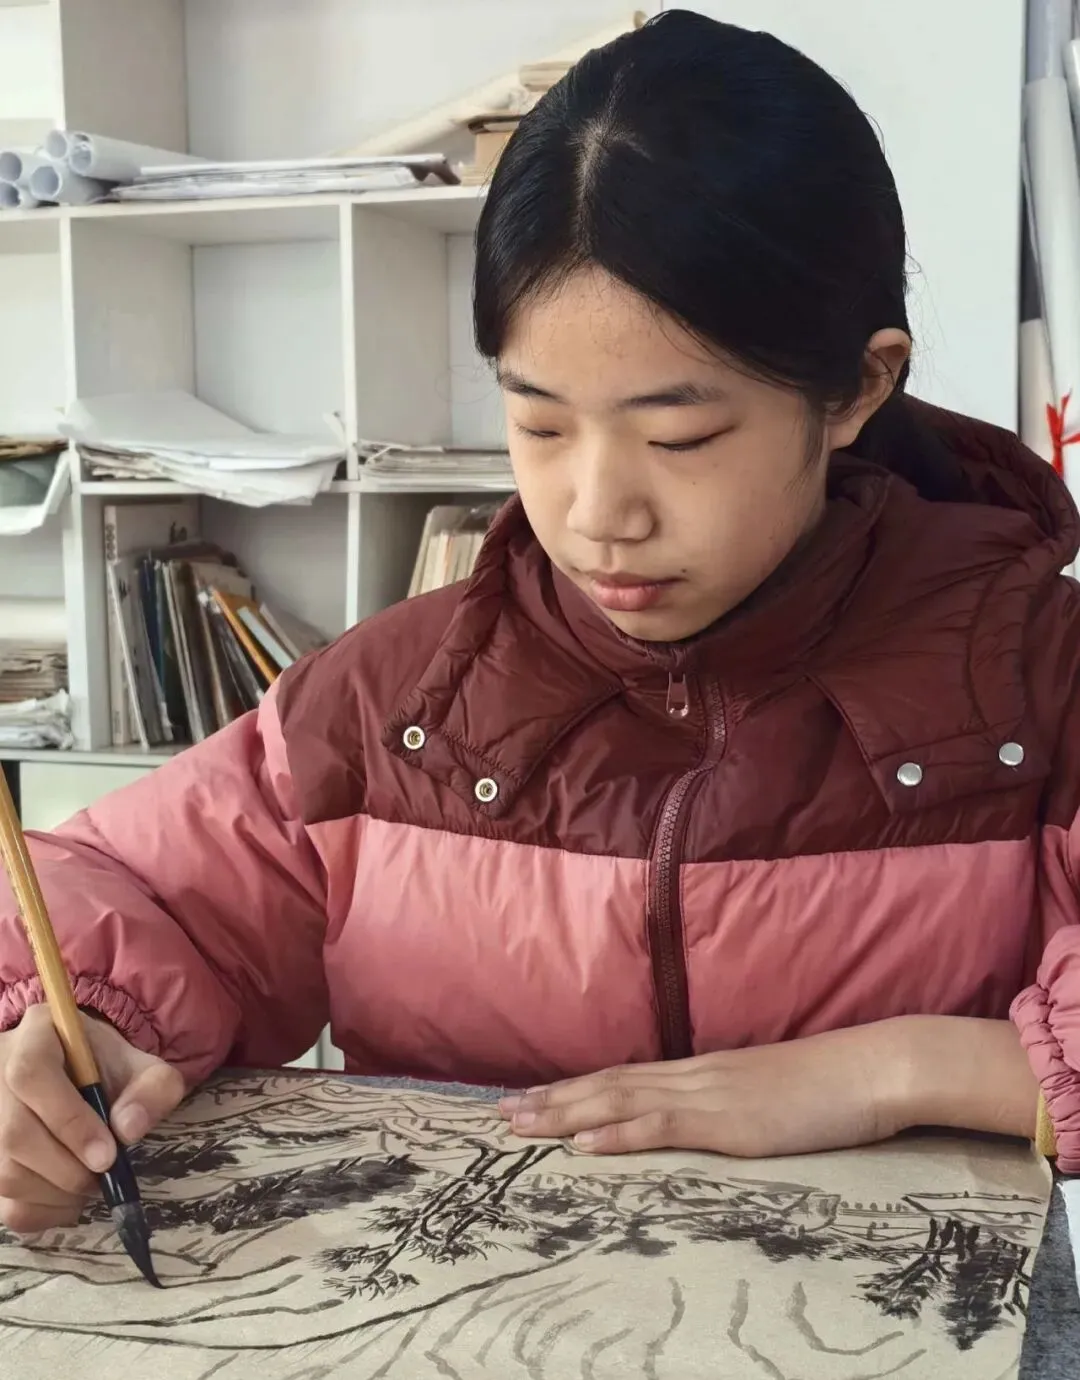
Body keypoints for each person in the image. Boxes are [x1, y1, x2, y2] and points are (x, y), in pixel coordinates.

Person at [0, 10, 1078, 1238]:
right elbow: (127, 890)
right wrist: (77, 1041)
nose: (597, 512)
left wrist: (908, 1069)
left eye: (681, 437)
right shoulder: (391, 704)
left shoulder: (1038, 681)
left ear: (858, 387)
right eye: (540, 424)